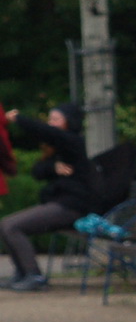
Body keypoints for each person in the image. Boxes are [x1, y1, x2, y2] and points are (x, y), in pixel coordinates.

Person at [2, 103, 94, 292]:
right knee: (5, 225)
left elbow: (46, 132)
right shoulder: (58, 148)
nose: (50, 123)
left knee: (11, 227)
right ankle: (22, 273)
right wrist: (53, 167)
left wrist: (19, 119)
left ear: (69, 122)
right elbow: (37, 171)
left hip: (72, 206)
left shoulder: (72, 142)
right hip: (59, 204)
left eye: (55, 119)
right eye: (49, 119)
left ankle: (34, 276)